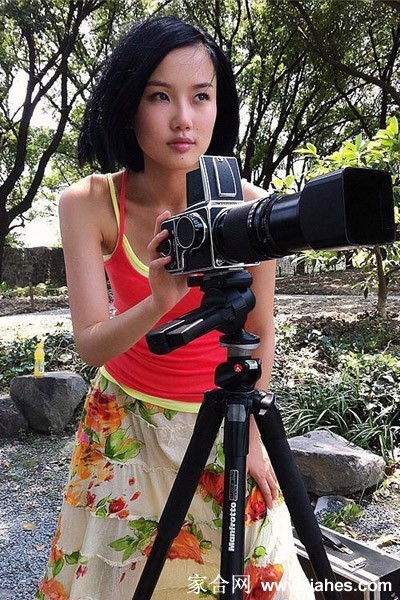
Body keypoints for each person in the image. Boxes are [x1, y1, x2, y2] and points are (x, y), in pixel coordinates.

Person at [36, 15, 314, 600]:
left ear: (219, 105)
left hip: (226, 422)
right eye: (159, 96)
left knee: (245, 573)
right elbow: (91, 343)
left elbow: (260, 330)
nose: (184, 118)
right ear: (128, 106)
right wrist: (160, 300)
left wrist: (254, 438)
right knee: (120, 577)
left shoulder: (252, 210)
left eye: (201, 96)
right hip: (126, 422)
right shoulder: (90, 202)